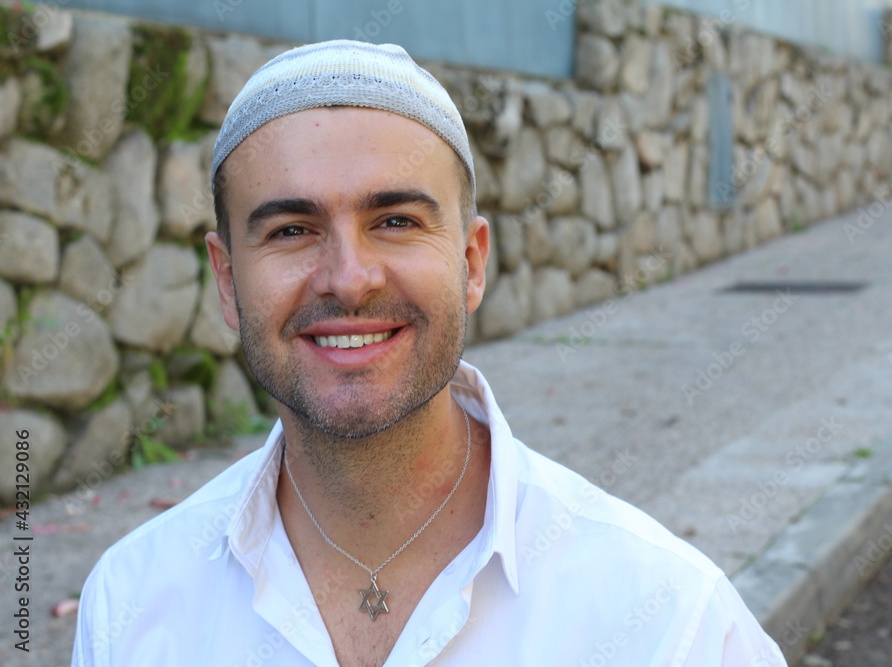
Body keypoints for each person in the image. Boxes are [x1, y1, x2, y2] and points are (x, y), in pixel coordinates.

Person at [72, 40, 787, 666]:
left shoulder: (666, 616)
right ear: (227, 280)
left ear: (472, 262)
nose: (349, 277)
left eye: (395, 220)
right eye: (291, 230)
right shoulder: (133, 603)